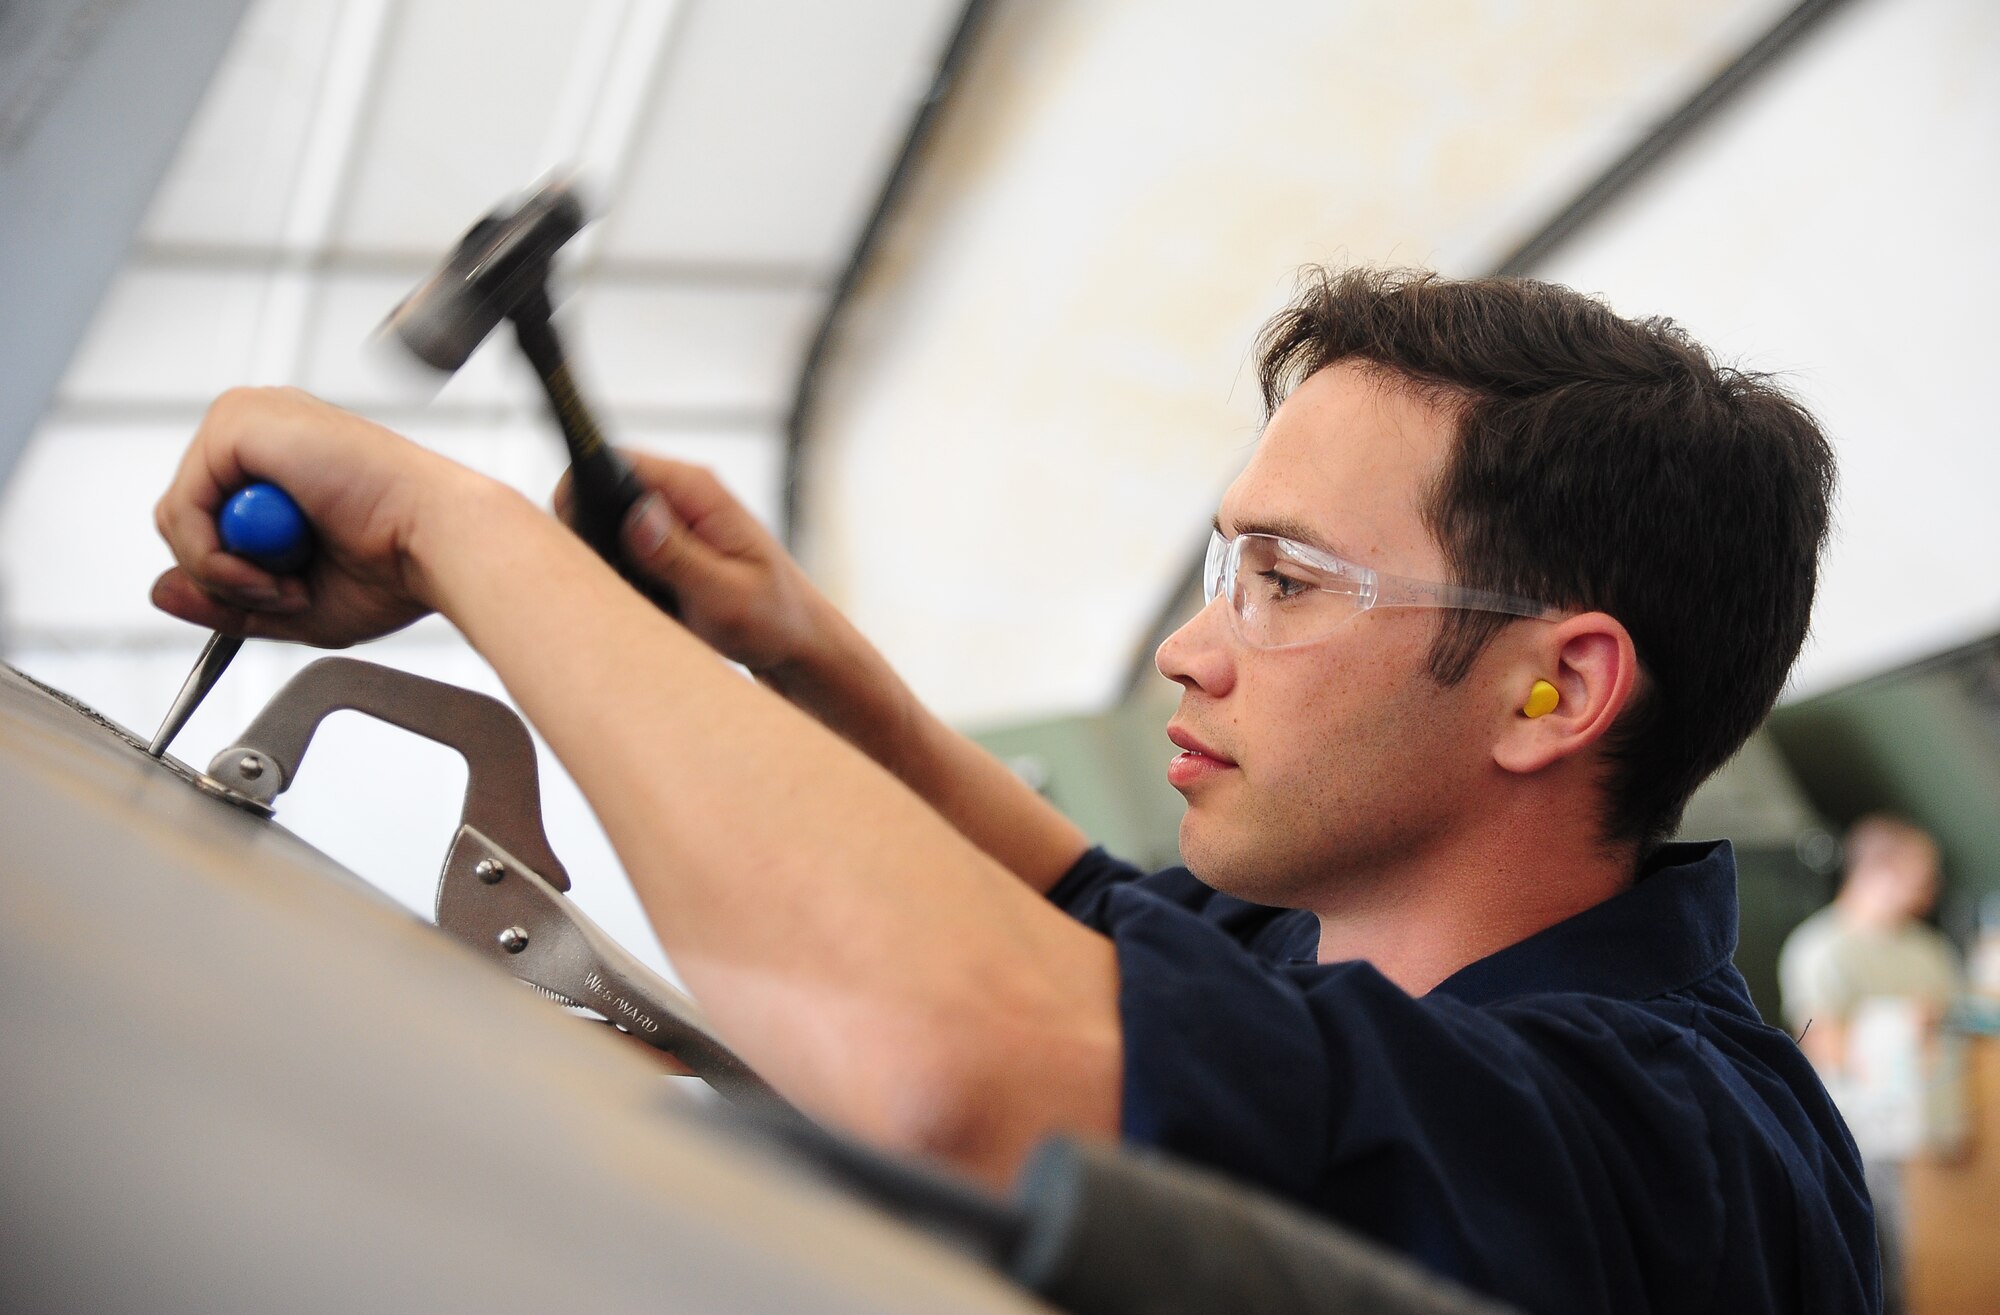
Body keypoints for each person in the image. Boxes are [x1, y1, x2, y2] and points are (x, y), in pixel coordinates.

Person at [151, 267, 1876, 1313]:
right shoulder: (1337, 955)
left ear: (1552, 688)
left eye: (1284, 581)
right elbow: (1073, 908)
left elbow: (963, 1055)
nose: (1186, 657)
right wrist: (794, 642)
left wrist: (462, 537)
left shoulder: (1676, 1146)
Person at [1780, 815, 1966, 1314]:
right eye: (1921, 871)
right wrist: (1904, 1023)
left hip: (1936, 1144)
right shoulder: (1821, 948)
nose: (1933, 885)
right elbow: (1825, 1046)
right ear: (1879, 871)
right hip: (1863, 1141)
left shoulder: (1931, 950)